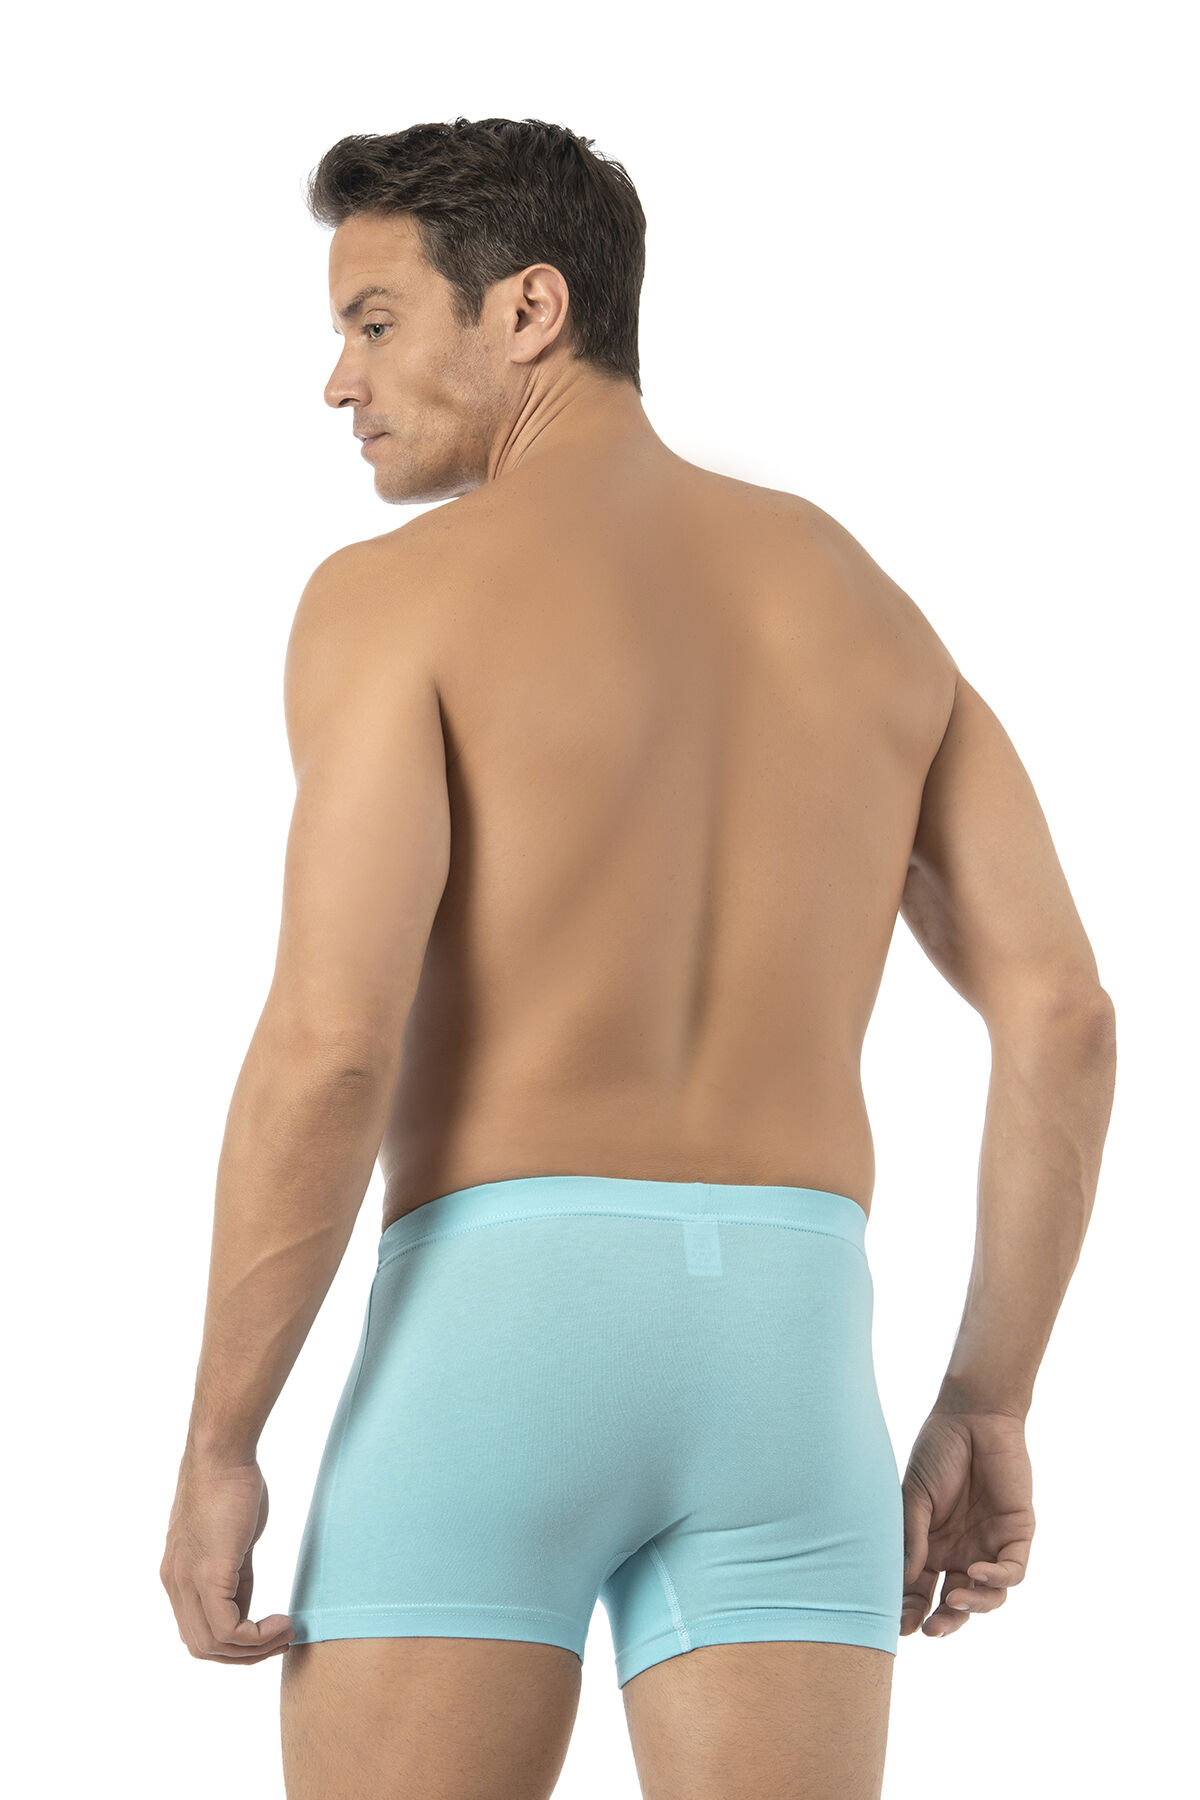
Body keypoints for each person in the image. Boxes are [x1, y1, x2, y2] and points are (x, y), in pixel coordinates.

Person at [159, 117, 1117, 1800]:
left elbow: (331, 1043)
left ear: (528, 308)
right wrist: (991, 1395)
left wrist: (221, 1437)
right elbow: (1064, 1014)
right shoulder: (862, 601)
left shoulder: (395, 600)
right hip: (792, 1356)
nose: (337, 381)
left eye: (374, 322)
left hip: (499, 1334)